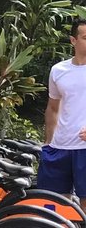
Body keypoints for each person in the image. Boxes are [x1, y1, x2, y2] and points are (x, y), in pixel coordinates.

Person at [38, 17, 86, 197]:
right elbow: (53, 108)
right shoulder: (58, 70)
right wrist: (48, 142)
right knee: (55, 204)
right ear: (73, 40)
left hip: (84, 148)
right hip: (60, 147)